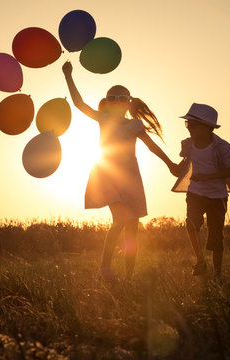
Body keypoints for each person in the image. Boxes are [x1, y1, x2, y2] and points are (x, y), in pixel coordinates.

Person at [62, 61, 179, 281]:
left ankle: (128, 277)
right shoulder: (103, 118)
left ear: (128, 103)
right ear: (107, 102)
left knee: (132, 228)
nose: (116, 101)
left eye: (121, 98)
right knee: (119, 220)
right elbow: (78, 103)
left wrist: (170, 163)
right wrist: (68, 74)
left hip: (131, 178)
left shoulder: (135, 125)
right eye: (111, 98)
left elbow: (152, 147)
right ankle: (104, 269)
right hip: (107, 174)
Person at [171, 103, 230, 277]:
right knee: (191, 224)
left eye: (193, 125)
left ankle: (217, 274)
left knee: (216, 235)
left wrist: (206, 177)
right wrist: (174, 168)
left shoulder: (221, 146)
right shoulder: (189, 145)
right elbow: (183, 166)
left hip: (217, 196)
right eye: (187, 124)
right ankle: (200, 261)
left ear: (207, 128)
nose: (189, 128)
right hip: (195, 192)